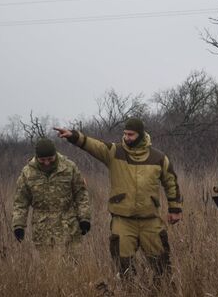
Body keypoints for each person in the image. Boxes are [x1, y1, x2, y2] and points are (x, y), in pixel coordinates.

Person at [54, 118, 182, 279]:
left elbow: (171, 182)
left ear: (141, 135)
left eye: (131, 135)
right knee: (123, 265)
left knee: (161, 264)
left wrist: (175, 209)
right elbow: (93, 145)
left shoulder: (159, 158)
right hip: (123, 220)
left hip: (150, 219)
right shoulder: (115, 152)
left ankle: (162, 296)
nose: (127, 138)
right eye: (125, 134)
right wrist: (73, 136)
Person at [12, 138, 91, 255]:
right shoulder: (28, 172)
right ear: (37, 157)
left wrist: (84, 218)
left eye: (50, 159)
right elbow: (20, 201)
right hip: (42, 228)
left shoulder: (69, 167)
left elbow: (81, 193)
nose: (47, 162)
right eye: (42, 160)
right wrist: (18, 225)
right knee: (47, 267)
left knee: (73, 264)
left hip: (69, 225)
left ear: (55, 155)